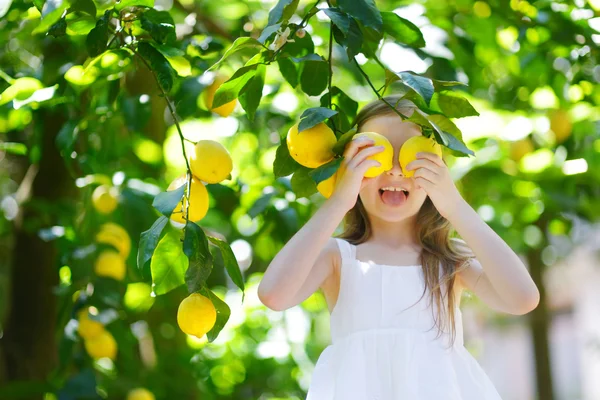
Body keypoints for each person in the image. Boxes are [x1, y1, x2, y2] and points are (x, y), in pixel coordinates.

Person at [258, 95, 540, 399]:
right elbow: (274, 294)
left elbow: (522, 299)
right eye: (374, 156)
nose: (394, 171)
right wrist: (339, 200)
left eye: (410, 158)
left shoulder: (448, 260)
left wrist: (455, 205)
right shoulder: (338, 257)